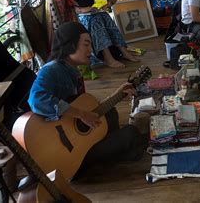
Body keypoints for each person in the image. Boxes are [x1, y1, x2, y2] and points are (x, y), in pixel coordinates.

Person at [27, 21, 144, 175]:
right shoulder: (51, 70)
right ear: (69, 45)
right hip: (66, 155)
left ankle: (104, 152)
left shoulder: (72, 71)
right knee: (130, 133)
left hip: (77, 143)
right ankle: (99, 157)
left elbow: (84, 108)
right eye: (86, 45)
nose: (91, 50)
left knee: (110, 114)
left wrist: (117, 94)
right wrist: (81, 114)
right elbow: (36, 99)